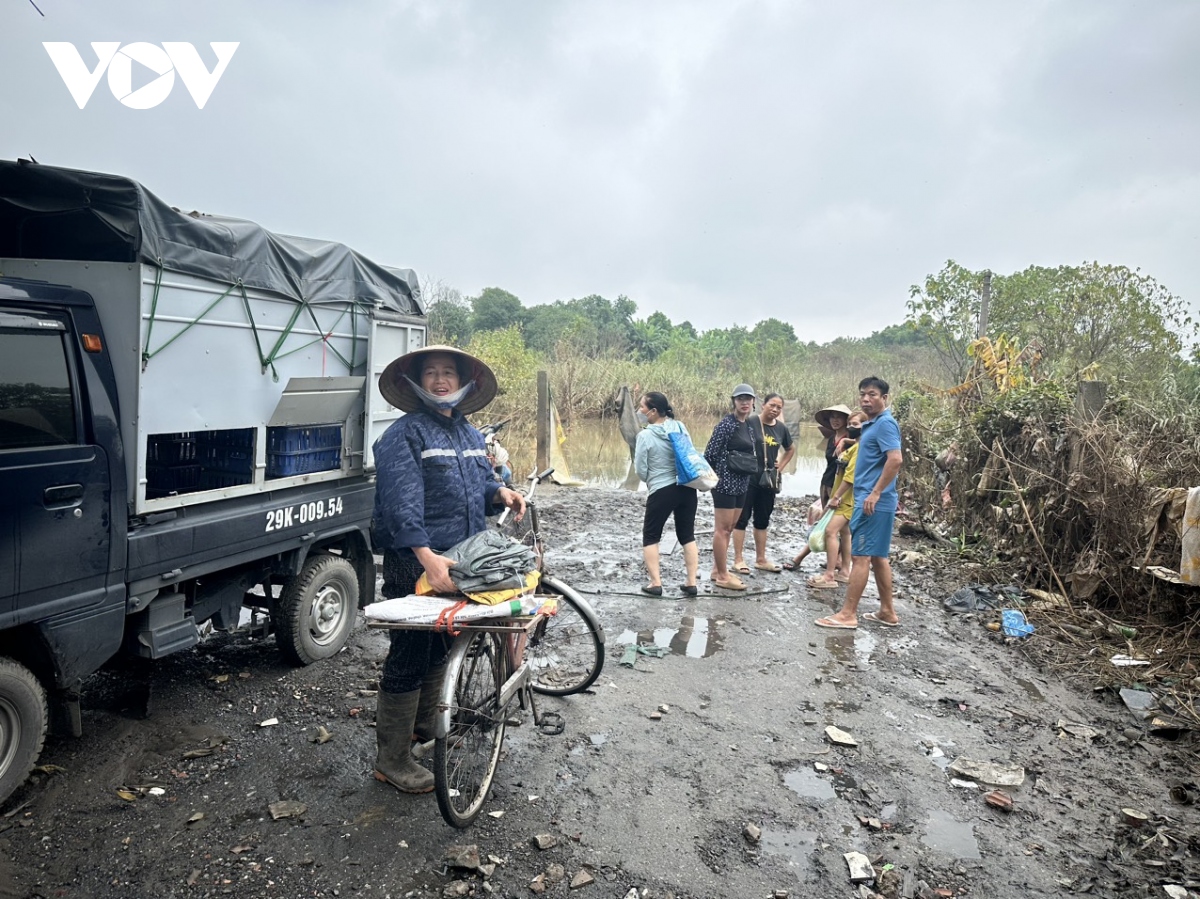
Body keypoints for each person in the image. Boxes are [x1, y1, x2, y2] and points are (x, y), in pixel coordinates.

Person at [371, 345, 527, 792]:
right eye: (432, 373)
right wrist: (425, 556)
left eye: (449, 373)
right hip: (416, 562)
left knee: (444, 643)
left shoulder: (469, 434)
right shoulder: (404, 435)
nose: (441, 381)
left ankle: (424, 728)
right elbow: (400, 506)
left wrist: (501, 493)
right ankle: (393, 759)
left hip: (460, 560)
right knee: (409, 653)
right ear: (417, 383)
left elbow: (477, 483)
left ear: (463, 382)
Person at [816, 376, 903, 630]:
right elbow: (874, 452)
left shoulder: (886, 424)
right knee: (878, 557)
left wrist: (875, 493)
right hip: (876, 501)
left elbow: (895, 459)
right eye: (863, 394)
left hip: (872, 502)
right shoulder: (873, 424)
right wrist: (849, 441)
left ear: (884, 398)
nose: (866, 399)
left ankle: (847, 614)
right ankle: (887, 611)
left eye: (873, 394)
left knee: (860, 556)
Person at [633, 392, 700, 597]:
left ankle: (655, 583)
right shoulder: (680, 427)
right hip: (687, 487)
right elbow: (690, 454)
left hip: (662, 489)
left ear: (653, 411)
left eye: (642, 407)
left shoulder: (644, 436)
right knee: (687, 535)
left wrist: (653, 480)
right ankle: (690, 583)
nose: (640, 411)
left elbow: (641, 471)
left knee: (651, 536)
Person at [732, 393, 795, 574]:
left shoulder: (781, 429)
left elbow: (790, 449)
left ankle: (761, 559)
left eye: (778, 407)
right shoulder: (750, 422)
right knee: (741, 519)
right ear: (763, 405)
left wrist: (780, 466)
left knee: (762, 520)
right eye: (772, 405)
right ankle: (738, 560)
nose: (774, 410)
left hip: (767, 482)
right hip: (748, 479)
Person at [703, 384, 758, 590]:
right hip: (725, 482)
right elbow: (709, 454)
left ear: (753, 402)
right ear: (733, 401)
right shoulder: (726, 425)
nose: (745, 403)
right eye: (740, 399)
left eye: (748, 399)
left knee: (731, 527)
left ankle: (718, 569)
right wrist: (713, 479)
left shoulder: (749, 425)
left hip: (742, 481)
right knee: (722, 529)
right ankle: (723, 576)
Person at [804, 410, 865, 588]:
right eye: (851, 424)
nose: (852, 428)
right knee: (845, 533)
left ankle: (829, 576)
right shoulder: (854, 446)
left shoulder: (859, 449)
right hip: (842, 496)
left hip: (846, 499)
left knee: (831, 532)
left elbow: (850, 478)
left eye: (856, 425)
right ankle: (845, 571)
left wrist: (836, 496)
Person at [814, 403, 853, 508]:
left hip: (840, 484)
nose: (835, 420)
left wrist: (845, 440)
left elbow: (862, 443)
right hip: (826, 481)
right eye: (832, 417)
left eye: (839, 417)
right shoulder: (831, 438)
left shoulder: (851, 440)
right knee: (824, 517)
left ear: (846, 420)